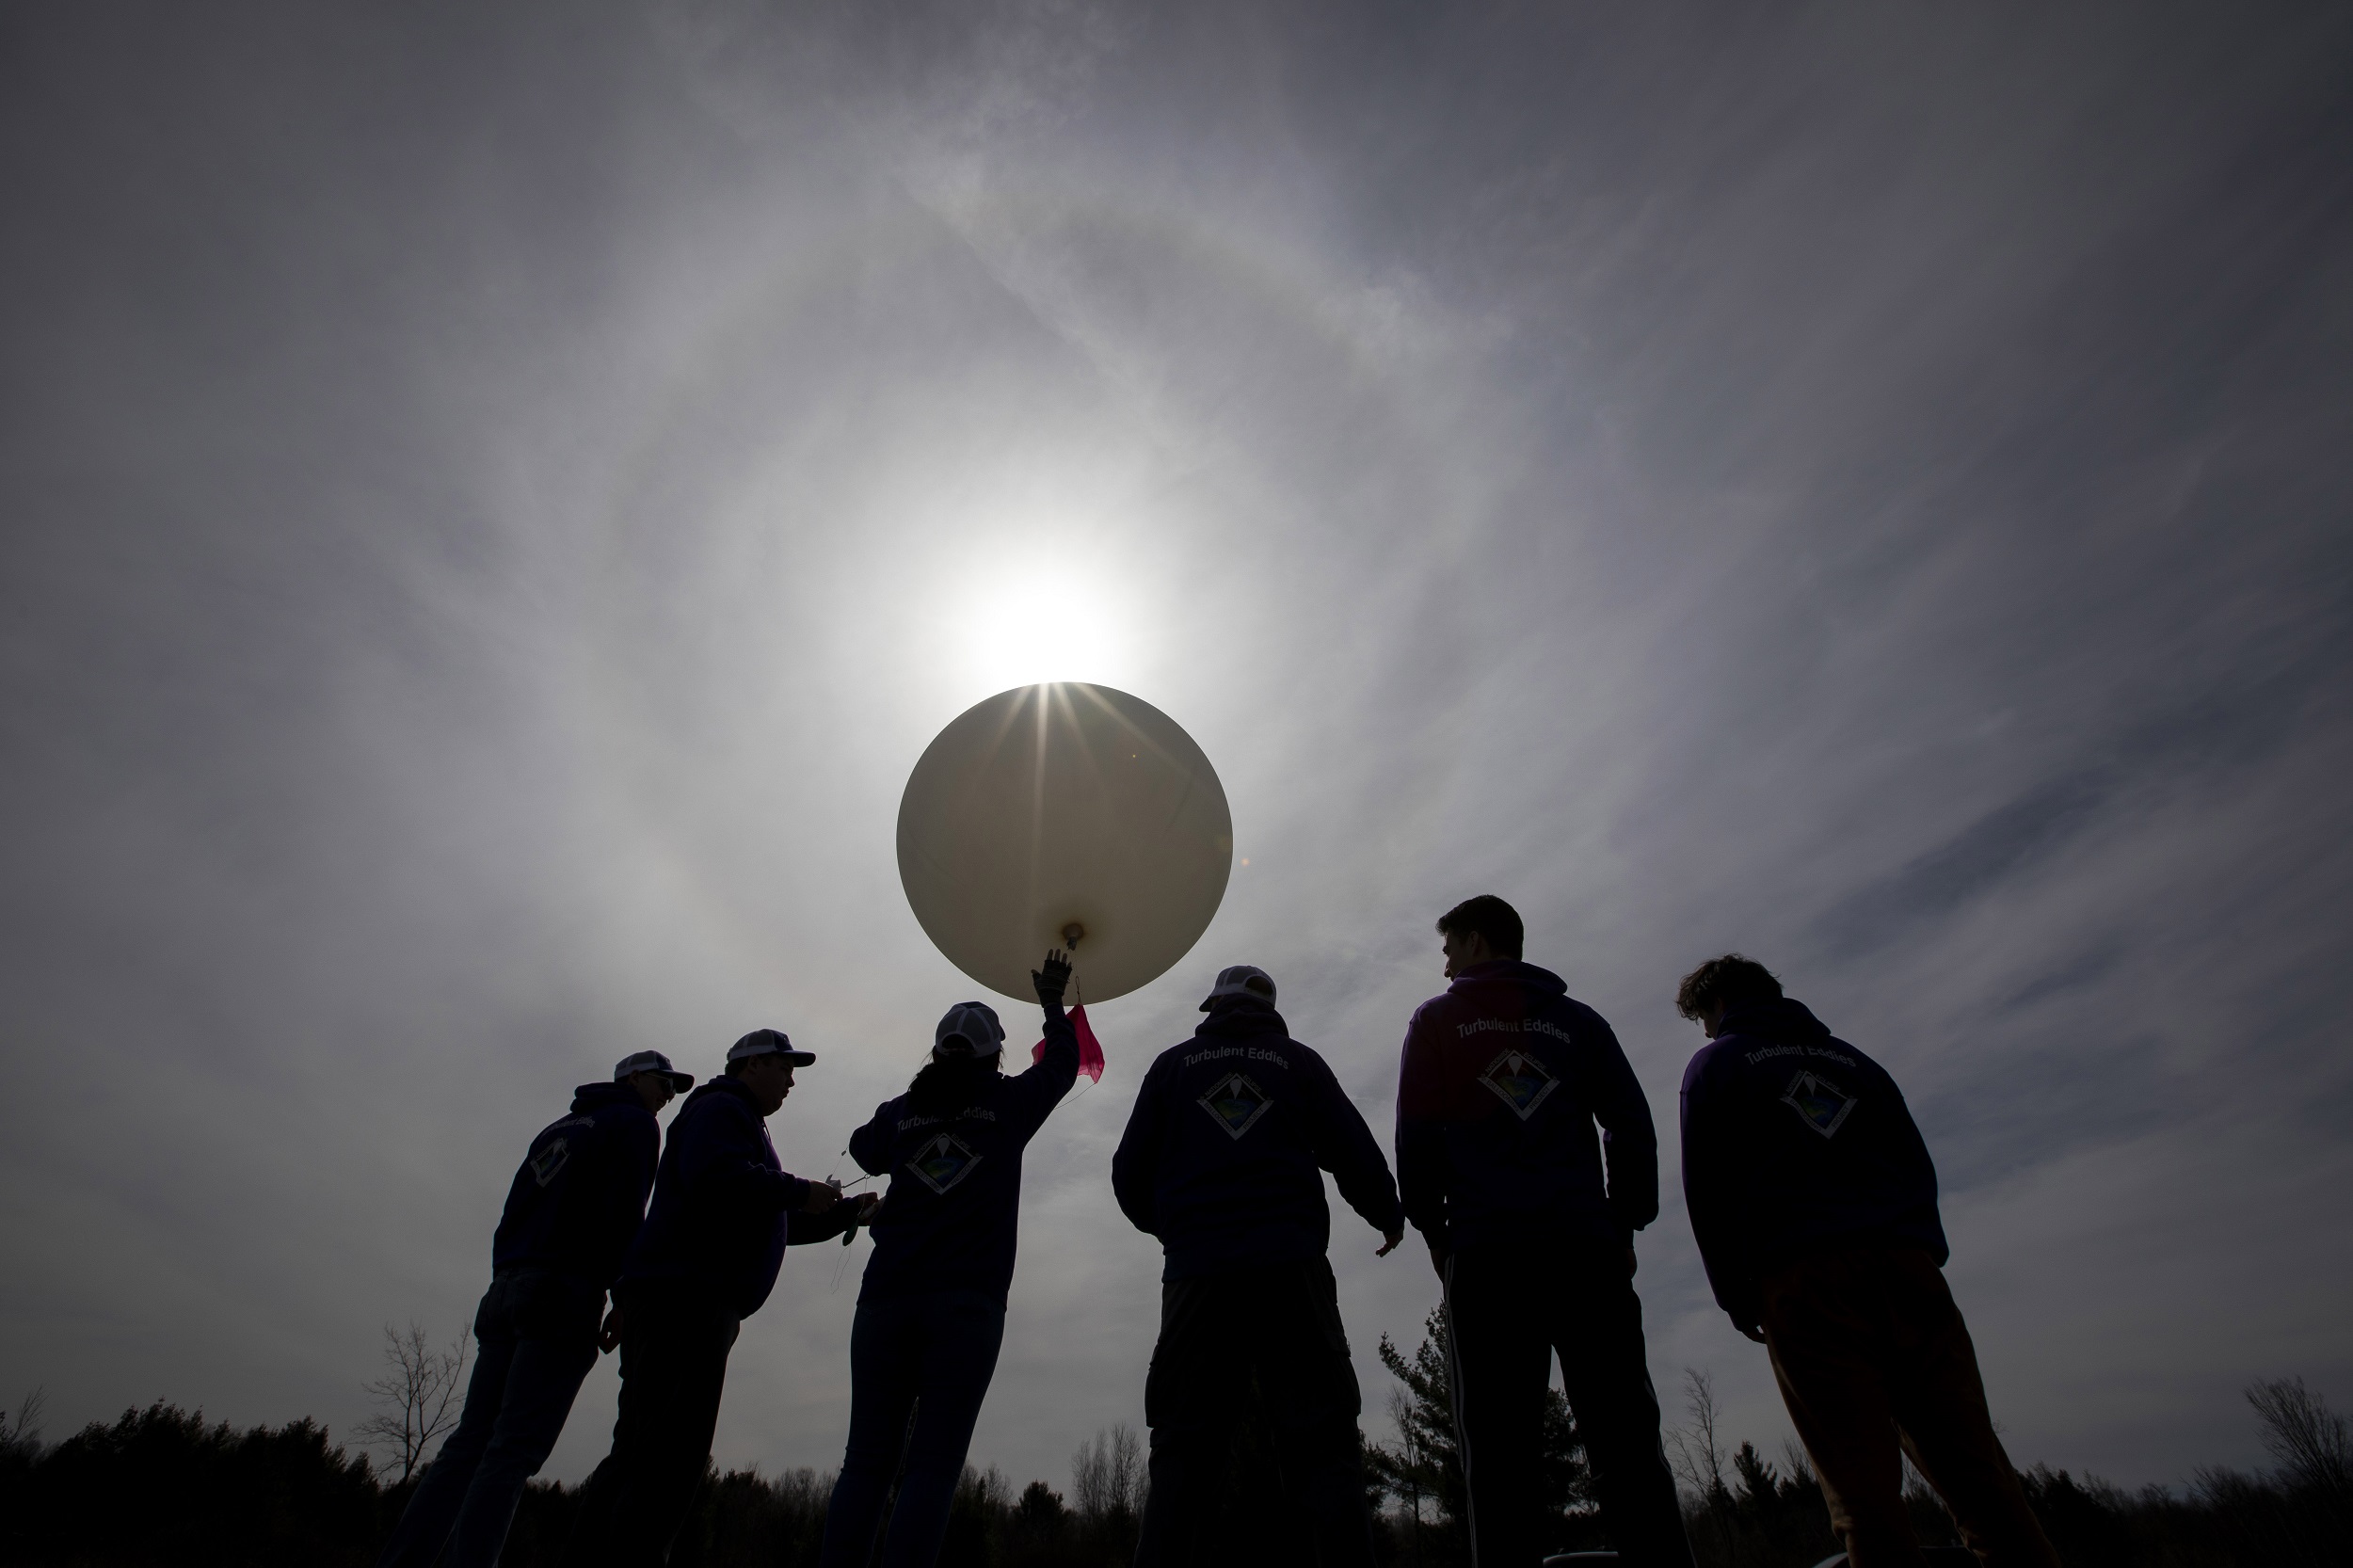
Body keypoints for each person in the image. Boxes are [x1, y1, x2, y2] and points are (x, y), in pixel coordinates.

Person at [1675, 954, 2059, 1568]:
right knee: (1984, 1485)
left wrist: (1735, 1293)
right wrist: (1920, 1251)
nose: (1704, 1032)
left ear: (1717, 1005)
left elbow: (1708, 1189)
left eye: (1702, 1018)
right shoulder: (1857, 1063)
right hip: (1911, 1274)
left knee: (1864, 1499)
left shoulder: (1717, 1063)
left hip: (1806, 1284)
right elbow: (1914, 1160)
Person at [1395, 896, 1691, 1568]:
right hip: (1586, 1251)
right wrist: (1624, 1219)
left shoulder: (1438, 1019)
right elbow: (1631, 1123)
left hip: (1487, 1255)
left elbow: (1416, 1135)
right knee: (1628, 1445)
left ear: (1475, 942)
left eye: (1448, 948)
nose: (1443, 965)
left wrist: (1433, 1227)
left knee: (1498, 1459)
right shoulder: (1579, 1023)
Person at [1112, 963, 1407, 1567]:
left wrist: (1177, 1233)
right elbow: (1351, 1147)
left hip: (1198, 1280)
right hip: (1292, 1272)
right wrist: (1387, 1213)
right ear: (1270, 1008)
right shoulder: (1299, 1063)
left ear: (1212, 1008)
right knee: (1325, 1448)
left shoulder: (1170, 1067)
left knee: (1182, 1452)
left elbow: (1127, 1174)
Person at [566, 1029, 871, 1567]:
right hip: (685, 1304)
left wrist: (845, 1213)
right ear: (751, 1065)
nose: (791, 1080)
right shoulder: (721, 1110)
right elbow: (719, 1179)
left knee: (641, 1448)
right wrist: (800, 1189)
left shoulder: (734, 1120)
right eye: (784, 1067)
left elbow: (763, 1215)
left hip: (676, 1300)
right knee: (669, 1457)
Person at [817, 951, 1081, 1568]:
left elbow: (863, 1147)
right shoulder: (1010, 1106)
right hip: (967, 1305)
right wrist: (1051, 1002)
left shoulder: (904, 1113)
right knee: (931, 1467)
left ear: (938, 1052)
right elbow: (1064, 1065)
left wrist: (917, 1113)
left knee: (866, 1464)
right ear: (996, 1057)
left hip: (885, 1303)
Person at [376, 1049, 690, 1568]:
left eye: (674, 1089)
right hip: (563, 1293)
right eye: (663, 1083)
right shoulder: (634, 1123)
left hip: (507, 1287)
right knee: (511, 1451)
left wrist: (509, 1274)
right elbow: (624, 1210)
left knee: (469, 1442)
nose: (668, 1095)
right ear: (632, 1077)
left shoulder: (557, 1128)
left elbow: (513, 1209)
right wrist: (624, 1292)